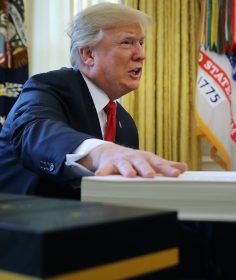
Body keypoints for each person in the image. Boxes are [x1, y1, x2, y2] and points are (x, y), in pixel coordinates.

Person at [0, 3, 187, 199]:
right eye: (127, 42)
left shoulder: (126, 124)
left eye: (141, 42)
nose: (141, 54)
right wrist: (99, 152)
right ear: (88, 54)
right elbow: (34, 130)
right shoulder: (49, 87)